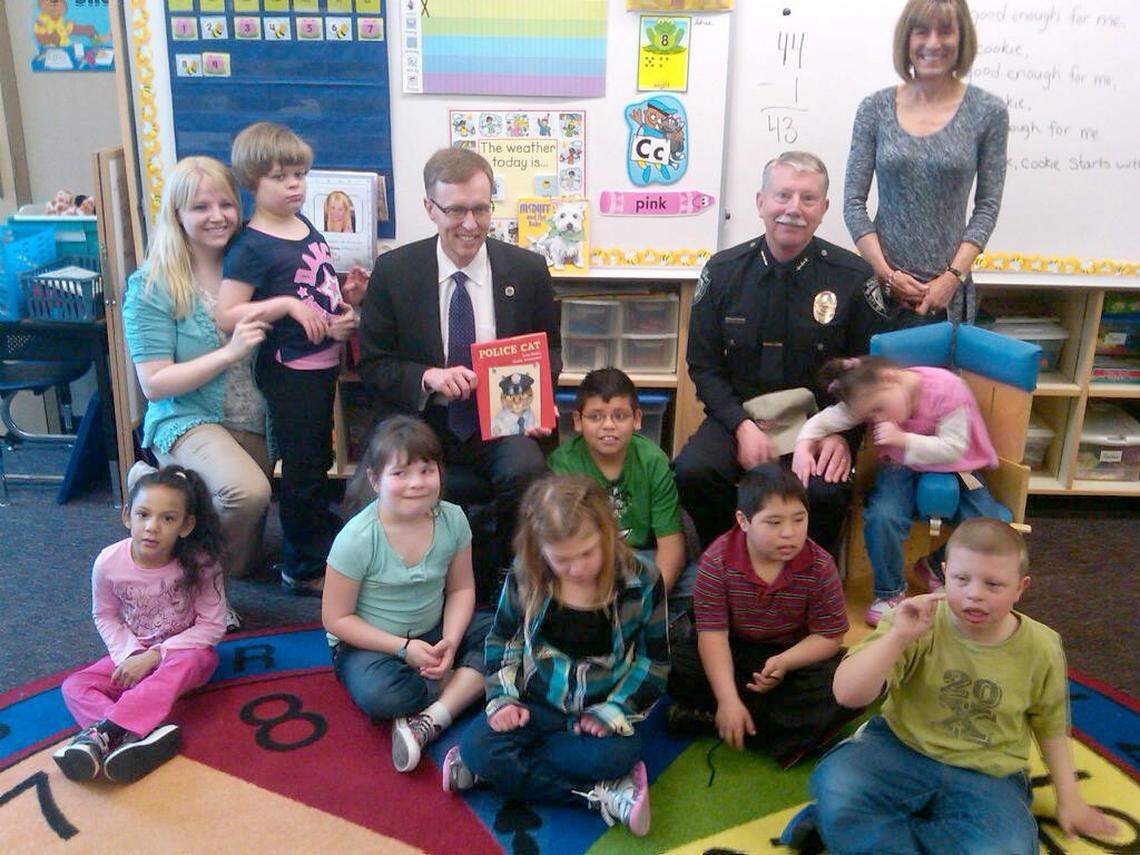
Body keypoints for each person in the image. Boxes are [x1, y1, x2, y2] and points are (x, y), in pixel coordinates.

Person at [810, 520, 1119, 854]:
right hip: (901, 748)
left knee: (1007, 848)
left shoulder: (1042, 646)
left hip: (988, 773)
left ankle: (882, 837)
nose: (974, 594)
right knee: (835, 783)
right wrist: (897, 638)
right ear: (943, 573)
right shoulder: (914, 620)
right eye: (961, 579)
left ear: (1020, 587)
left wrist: (1069, 798)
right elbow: (846, 694)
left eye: (994, 585)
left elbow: (1052, 725)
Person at [358, 147, 561, 594]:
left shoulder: (526, 270)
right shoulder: (395, 272)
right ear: (430, 208)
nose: (470, 224)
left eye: (481, 208)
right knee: (379, 481)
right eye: (456, 210)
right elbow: (372, 364)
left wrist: (539, 400)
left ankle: (513, 576)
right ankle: (415, 580)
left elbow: (551, 353)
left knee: (527, 469)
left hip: (502, 420)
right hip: (422, 419)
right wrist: (427, 378)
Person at [675, 150, 887, 554]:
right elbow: (703, 367)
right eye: (782, 195)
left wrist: (842, 433)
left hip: (820, 420)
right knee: (693, 472)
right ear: (760, 202)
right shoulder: (721, 272)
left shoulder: (853, 278)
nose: (794, 209)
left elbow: (867, 374)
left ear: (824, 209)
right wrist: (740, 425)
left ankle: (806, 583)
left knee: (825, 490)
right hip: (740, 415)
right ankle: (728, 563)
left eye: (808, 199)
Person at [440, 475, 668, 838]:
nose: (577, 568)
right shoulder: (526, 575)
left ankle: (497, 771)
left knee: (616, 755)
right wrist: (502, 699)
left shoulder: (642, 579)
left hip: (599, 709)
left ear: (607, 533)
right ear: (539, 549)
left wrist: (613, 711)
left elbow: (654, 662)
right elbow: (502, 639)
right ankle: (594, 796)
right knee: (477, 747)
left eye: (588, 552)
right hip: (536, 703)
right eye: (562, 559)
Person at [216, 121, 367, 596]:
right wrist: (284, 307)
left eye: (299, 174)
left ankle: (321, 545)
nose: (295, 185)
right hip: (289, 371)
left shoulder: (302, 224)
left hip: (321, 364)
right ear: (251, 182)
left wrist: (345, 297)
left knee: (318, 460)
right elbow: (227, 314)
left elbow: (313, 290)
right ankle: (300, 568)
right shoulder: (251, 245)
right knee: (302, 470)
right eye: (280, 177)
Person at [122, 155, 273, 581]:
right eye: (201, 207)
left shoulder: (250, 263)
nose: (217, 217)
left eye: (226, 204)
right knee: (246, 493)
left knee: (244, 562)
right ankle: (195, 583)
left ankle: (177, 504)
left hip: (256, 418)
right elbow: (154, 383)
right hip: (188, 416)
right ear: (177, 214)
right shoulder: (152, 285)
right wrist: (229, 352)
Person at [322, 416, 490, 773]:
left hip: (433, 633)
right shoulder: (357, 538)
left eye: (426, 470)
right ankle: (460, 687)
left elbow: (461, 588)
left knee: (509, 636)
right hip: (372, 645)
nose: (416, 483)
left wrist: (449, 639)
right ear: (374, 480)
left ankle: (431, 718)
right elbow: (336, 619)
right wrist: (402, 648)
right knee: (381, 695)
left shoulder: (453, 519)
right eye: (400, 474)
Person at [797, 355, 1010, 626]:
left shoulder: (948, 390)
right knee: (883, 516)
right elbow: (831, 418)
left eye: (879, 409)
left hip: (955, 464)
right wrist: (805, 442)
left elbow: (954, 447)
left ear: (891, 378)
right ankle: (889, 593)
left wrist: (902, 438)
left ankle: (934, 565)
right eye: (870, 415)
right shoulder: (870, 393)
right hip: (900, 464)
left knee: (988, 525)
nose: (877, 419)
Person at [667, 465, 851, 767]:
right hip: (734, 652)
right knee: (674, 661)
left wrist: (784, 662)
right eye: (774, 522)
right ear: (744, 521)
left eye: (799, 519)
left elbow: (830, 636)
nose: (789, 533)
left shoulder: (820, 565)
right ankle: (754, 723)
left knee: (843, 683)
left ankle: (714, 719)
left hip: (791, 658)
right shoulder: (717, 561)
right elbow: (712, 637)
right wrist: (727, 697)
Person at [53, 466, 227, 784]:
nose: (152, 527)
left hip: (184, 656)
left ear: (186, 525)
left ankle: (106, 732)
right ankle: (144, 735)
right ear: (127, 516)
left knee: (190, 660)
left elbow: (213, 627)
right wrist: (130, 655)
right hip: (134, 655)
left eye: (168, 519)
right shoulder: (108, 561)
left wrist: (155, 655)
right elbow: (104, 615)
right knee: (75, 686)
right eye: (143, 515)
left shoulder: (202, 562)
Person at [844, 0, 1008, 327]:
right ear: (907, 39)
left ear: (962, 39)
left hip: (946, 294)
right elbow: (853, 203)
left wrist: (951, 278)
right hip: (881, 291)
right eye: (922, 31)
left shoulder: (988, 112)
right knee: (880, 378)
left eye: (945, 31)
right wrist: (887, 276)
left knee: (936, 380)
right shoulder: (874, 109)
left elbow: (987, 206)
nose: (933, 43)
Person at [548, 367, 693, 621]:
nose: (608, 426)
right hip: (584, 558)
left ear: (637, 419)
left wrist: (649, 602)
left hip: (639, 556)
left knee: (694, 582)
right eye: (595, 417)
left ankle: (649, 619)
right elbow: (562, 543)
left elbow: (671, 548)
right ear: (577, 422)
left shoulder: (653, 461)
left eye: (619, 416)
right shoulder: (563, 464)